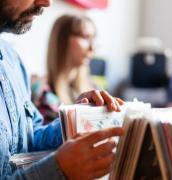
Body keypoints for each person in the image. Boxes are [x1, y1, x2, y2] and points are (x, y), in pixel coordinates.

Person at [0, 0, 124, 179]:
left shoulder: (13, 61)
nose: (47, 2)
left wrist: (78, 119)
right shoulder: (41, 89)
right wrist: (58, 170)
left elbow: (29, 140)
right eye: (84, 37)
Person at [31, 14, 97, 124]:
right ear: (63, 40)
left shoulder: (94, 89)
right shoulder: (40, 92)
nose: (92, 47)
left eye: (93, 39)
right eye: (85, 37)